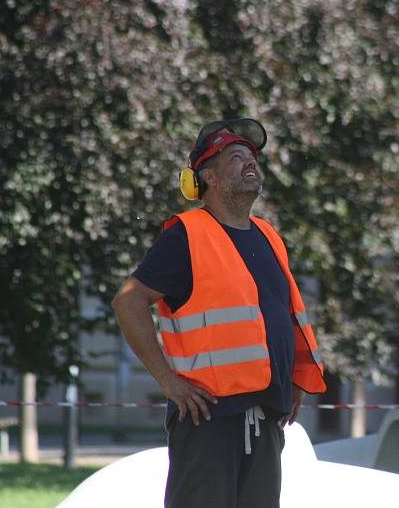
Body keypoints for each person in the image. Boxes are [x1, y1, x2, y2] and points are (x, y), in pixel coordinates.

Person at [111, 117, 326, 508]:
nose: (250, 163)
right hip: (208, 420)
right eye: (235, 157)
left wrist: (293, 378)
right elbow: (128, 301)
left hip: (267, 418)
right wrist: (168, 382)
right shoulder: (186, 235)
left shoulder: (268, 236)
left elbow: (280, 314)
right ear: (206, 176)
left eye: (253, 157)